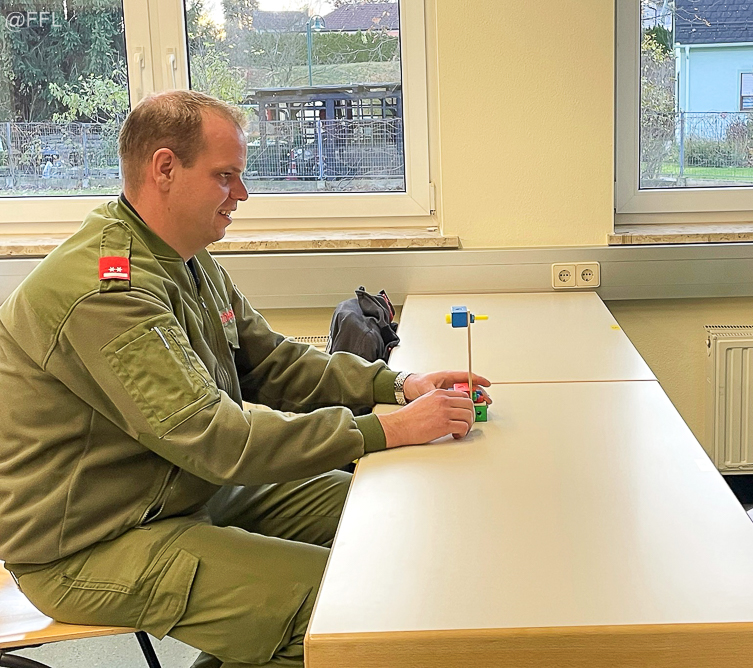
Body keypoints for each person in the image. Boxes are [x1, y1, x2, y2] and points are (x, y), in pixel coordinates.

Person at [0, 90, 489, 668]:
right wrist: (388, 430)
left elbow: (270, 362)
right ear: (164, 169)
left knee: (388, 521)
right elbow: (218, 437)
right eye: (225, 176)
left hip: (185, 487)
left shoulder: (183, 256)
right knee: (351, 605)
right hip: (94, 542)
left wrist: (396, 386)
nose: (243, 194)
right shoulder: (108, 292)